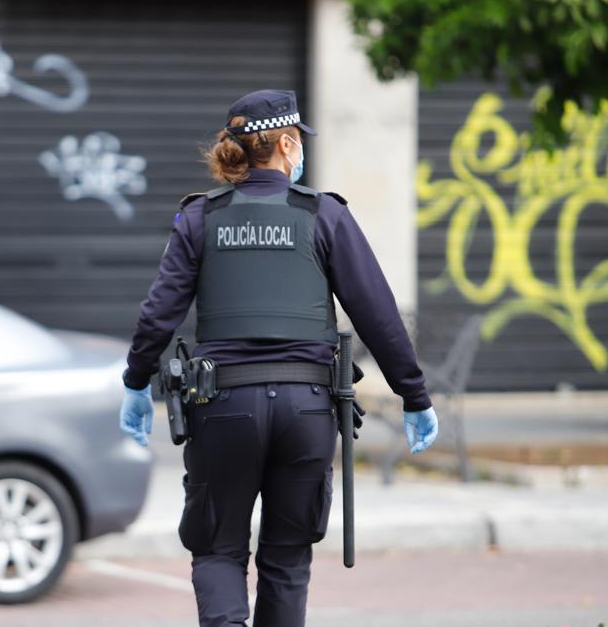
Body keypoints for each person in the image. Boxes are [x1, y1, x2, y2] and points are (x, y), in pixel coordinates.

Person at [118, 90, 438, 627]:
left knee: (218, 549)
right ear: (287, 144)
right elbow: (377, 313)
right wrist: (415, 395)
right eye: (300, 145)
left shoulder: (201, 217)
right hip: (308, 410)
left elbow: (158, 314)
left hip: (220, 407)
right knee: (287, 558)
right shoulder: (324, 215)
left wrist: (135, 382)